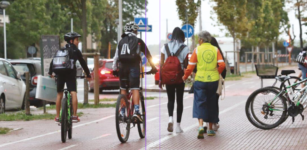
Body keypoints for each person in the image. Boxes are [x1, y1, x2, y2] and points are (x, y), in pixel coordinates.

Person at [182, 31, 225, 139]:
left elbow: (190, 66)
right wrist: (217, 72)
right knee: (211, 103)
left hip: (200, 80)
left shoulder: (197, 50)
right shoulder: (215, 49)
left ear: (201, 40)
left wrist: (185, 76)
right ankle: (210, 129)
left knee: (199, 102)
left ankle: (201, 126)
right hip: (213, 80)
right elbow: (222, 64)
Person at [112, 22, 157, 122]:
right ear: (135, 31)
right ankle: (136, 111)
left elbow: (116, 57)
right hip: (134, 67)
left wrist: (114, 69)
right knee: (135, 88)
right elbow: (148, 55)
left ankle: (122, 112)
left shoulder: (121, 41)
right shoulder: (139, 41)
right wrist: (153, 67)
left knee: (123, 89)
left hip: (122, 67)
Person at [49, 32, 91, 123]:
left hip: (59, 73)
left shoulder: (61, 50)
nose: (78, 41)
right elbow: (83, 63)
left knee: (59, 94)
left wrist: (50, 73)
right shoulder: (75, 50)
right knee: (73, 92)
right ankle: (75, 116)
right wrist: (88, 74)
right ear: (71, 41)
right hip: (70, 74)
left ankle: (57, 116)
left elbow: (53, 62)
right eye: (77, 39)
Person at [159, 27, 189, 133]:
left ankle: (170, 118)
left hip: (167, 76)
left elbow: (161, 64)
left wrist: (160, 79)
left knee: (170, 99)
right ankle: (178, 126)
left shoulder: (165, 47)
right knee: (179, 100)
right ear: (182, 36)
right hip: (179, 77)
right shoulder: (185, 48)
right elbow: (186, 65)